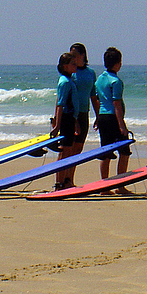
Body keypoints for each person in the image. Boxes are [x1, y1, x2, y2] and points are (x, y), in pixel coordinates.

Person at [93, 46, 133, 195]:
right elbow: (116, 104)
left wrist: (97, 117)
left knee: (105, 151)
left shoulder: (99, 79)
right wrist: (122, 125)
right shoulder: (116, 81)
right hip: (112, 118)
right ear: (117, 64)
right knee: (124, 151)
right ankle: (120, 185)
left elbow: (98, 100)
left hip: (103, 117)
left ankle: (105, 186)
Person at [66, 43, 99, 188]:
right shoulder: (70, 72)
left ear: (83, 56)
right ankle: (63, 179)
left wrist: (98, 115)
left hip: (84, 114)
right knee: (68, 149)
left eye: (75, 55)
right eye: (71, 55)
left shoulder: (90, 73)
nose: (72, 58)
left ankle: (70, 180)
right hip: (72, 114)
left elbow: (93, 96)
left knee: (77, 150)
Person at [50, 52, 80, 190]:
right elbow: (60, 104)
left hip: (71, 119)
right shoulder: (64, 82)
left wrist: (76, 123)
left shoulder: (70, 80)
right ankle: (59, 183)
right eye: (73, 64)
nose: (76, 66)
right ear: (65, 66)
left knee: (68, 152)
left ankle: (64, 182)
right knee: (64, 152)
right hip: (66, 119)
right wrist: (57, 125)